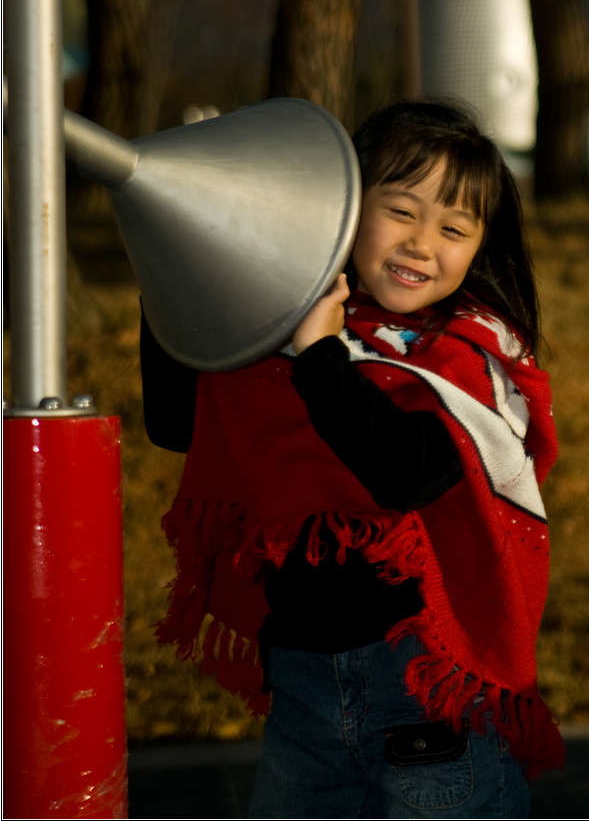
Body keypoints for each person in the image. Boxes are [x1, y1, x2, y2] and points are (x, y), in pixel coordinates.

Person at [141, 99, 564, 819]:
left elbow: (407, 469)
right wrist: (183, 241)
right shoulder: (297, 326)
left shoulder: (469, 355)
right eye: (399, 210)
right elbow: (178, 419)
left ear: (480, 248)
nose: (423, 243)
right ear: (341, 207)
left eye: (454, 228)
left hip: (430, 694)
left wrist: (321, 357)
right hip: (306, 695)